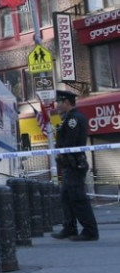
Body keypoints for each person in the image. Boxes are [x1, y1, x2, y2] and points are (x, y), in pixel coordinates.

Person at [51, 90, 99, 241]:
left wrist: (61, 152)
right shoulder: (68, 118)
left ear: (66, 102)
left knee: (78, 197)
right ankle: (70, 228)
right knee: (66, 196)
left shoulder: (74, 119)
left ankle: (90, 231)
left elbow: (70, 143)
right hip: (69, 164)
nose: (57, 106)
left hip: (74, 164)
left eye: (59, 102)